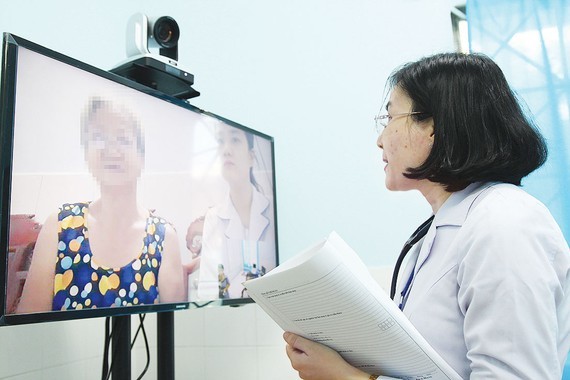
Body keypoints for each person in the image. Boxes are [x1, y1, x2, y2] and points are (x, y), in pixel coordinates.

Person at [283, 53, 570, 379]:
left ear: (434, 126)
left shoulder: (504, 222)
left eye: (389, 118)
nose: (380, 141)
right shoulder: (438, 231)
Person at [17, 97, 186, 313]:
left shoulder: (164, 236)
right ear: (87, 153)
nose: (111, 148)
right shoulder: (60, 225)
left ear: (141, 156)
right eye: (98, 137)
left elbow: (170, 331)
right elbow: (28, 329)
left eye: (123, 138)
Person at [196, 124, 276, 300]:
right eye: (220, 141)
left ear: (251, 156)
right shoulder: (214, 218)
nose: (226, 150)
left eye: (235, 140)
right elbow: (207, 293)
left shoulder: (272, 211)